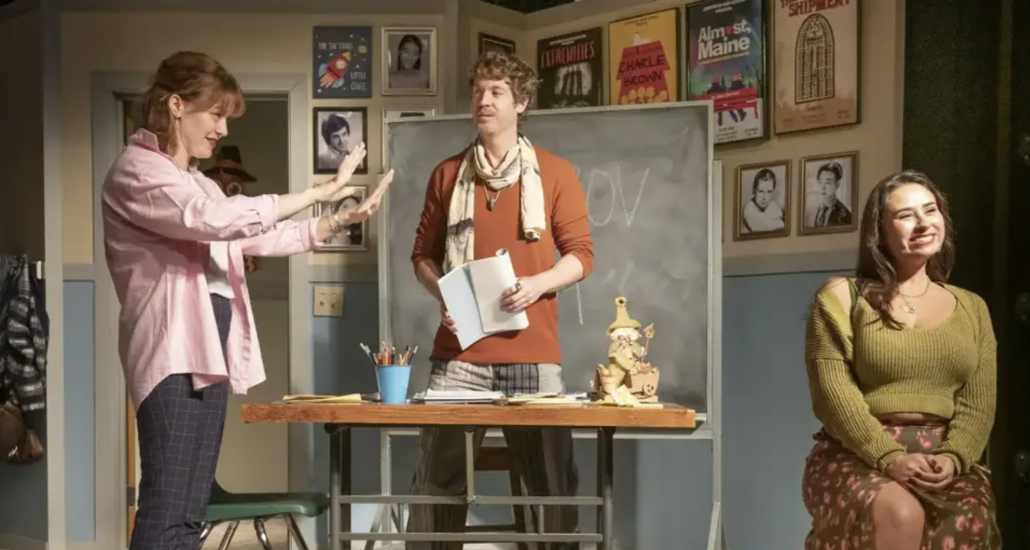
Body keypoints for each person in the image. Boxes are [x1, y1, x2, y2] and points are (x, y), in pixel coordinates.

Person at [101, 51, 392, 550]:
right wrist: (319, 190)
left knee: (190, 512)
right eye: (214, 114)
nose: (220, 129)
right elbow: (212, 221)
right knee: (168, 508)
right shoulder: (137, 170)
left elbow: (249, 237)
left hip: (209, 343)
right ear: (175, 105)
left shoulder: (197, 179)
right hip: (171, 350)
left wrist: (337, 219)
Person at [407, 50, 594, 548]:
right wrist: (442, 289)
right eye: (478, 91)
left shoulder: (554, 173)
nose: (482, 101)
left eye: (496, 92)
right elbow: (422, 257)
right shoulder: (448, 175)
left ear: (522, 102)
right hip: (460, 354)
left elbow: (581, 256)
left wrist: (537, 285)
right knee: (435, 485)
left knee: (551, 488)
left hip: (533, 357)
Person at [802, 170, 1000, 549]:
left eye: (931, 210)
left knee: (967, 516)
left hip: (943, 456)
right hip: (857, 451)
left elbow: (978, 404)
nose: (924, 223)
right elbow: (834, 397)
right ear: (879, 232)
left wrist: (955, 458)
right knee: (900, 512)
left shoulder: (973, 308)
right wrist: (888, 457)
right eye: (906, 215)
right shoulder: (842, 298)